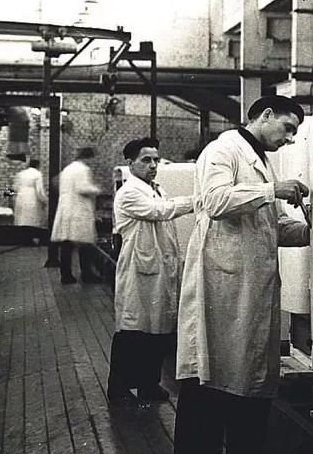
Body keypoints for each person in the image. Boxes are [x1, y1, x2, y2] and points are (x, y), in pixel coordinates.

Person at [172, 95, 310, 454]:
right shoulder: (223, 151)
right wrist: (272, 190)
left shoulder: (261, 162)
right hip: (222, 293)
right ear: (265, 115)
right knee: (208, 390)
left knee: (249, 391)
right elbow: (215, 202)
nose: (289, 138)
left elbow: (272, 226)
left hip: (249, 295)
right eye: (287, 128)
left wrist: (310, 231)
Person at [108, 137, 194, 405]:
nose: (154, 165)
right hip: (139, 271)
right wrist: (197, 200)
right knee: (132, 332)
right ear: (130, 163)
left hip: (158, 271)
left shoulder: (156, 189)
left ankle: (149, 385)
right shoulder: (129, 193)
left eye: (156, 160)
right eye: (146, 160)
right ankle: (118, 389)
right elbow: (161, 212)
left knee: (157, 331)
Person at [51, 147, 102, 284]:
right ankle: (87, 275)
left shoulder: (67, 169)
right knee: (85, 243)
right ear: (88, 158)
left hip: (66, 209)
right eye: (93, 159)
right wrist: (97, 190)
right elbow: (83, 188)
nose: (93, 162)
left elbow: (55, 183)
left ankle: (66, 275)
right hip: (78, 211)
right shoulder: (83, 169)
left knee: (67, 244)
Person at [13, 158, 48, 244]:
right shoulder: (37, 174)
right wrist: (44, 201)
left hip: (21, 197)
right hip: (32, 197)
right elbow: (39, 190)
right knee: (32, 219)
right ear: (38, 165)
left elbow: (15, 187)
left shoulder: (21, 174)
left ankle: (22, 239)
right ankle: (31, 240)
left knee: (22, 219)